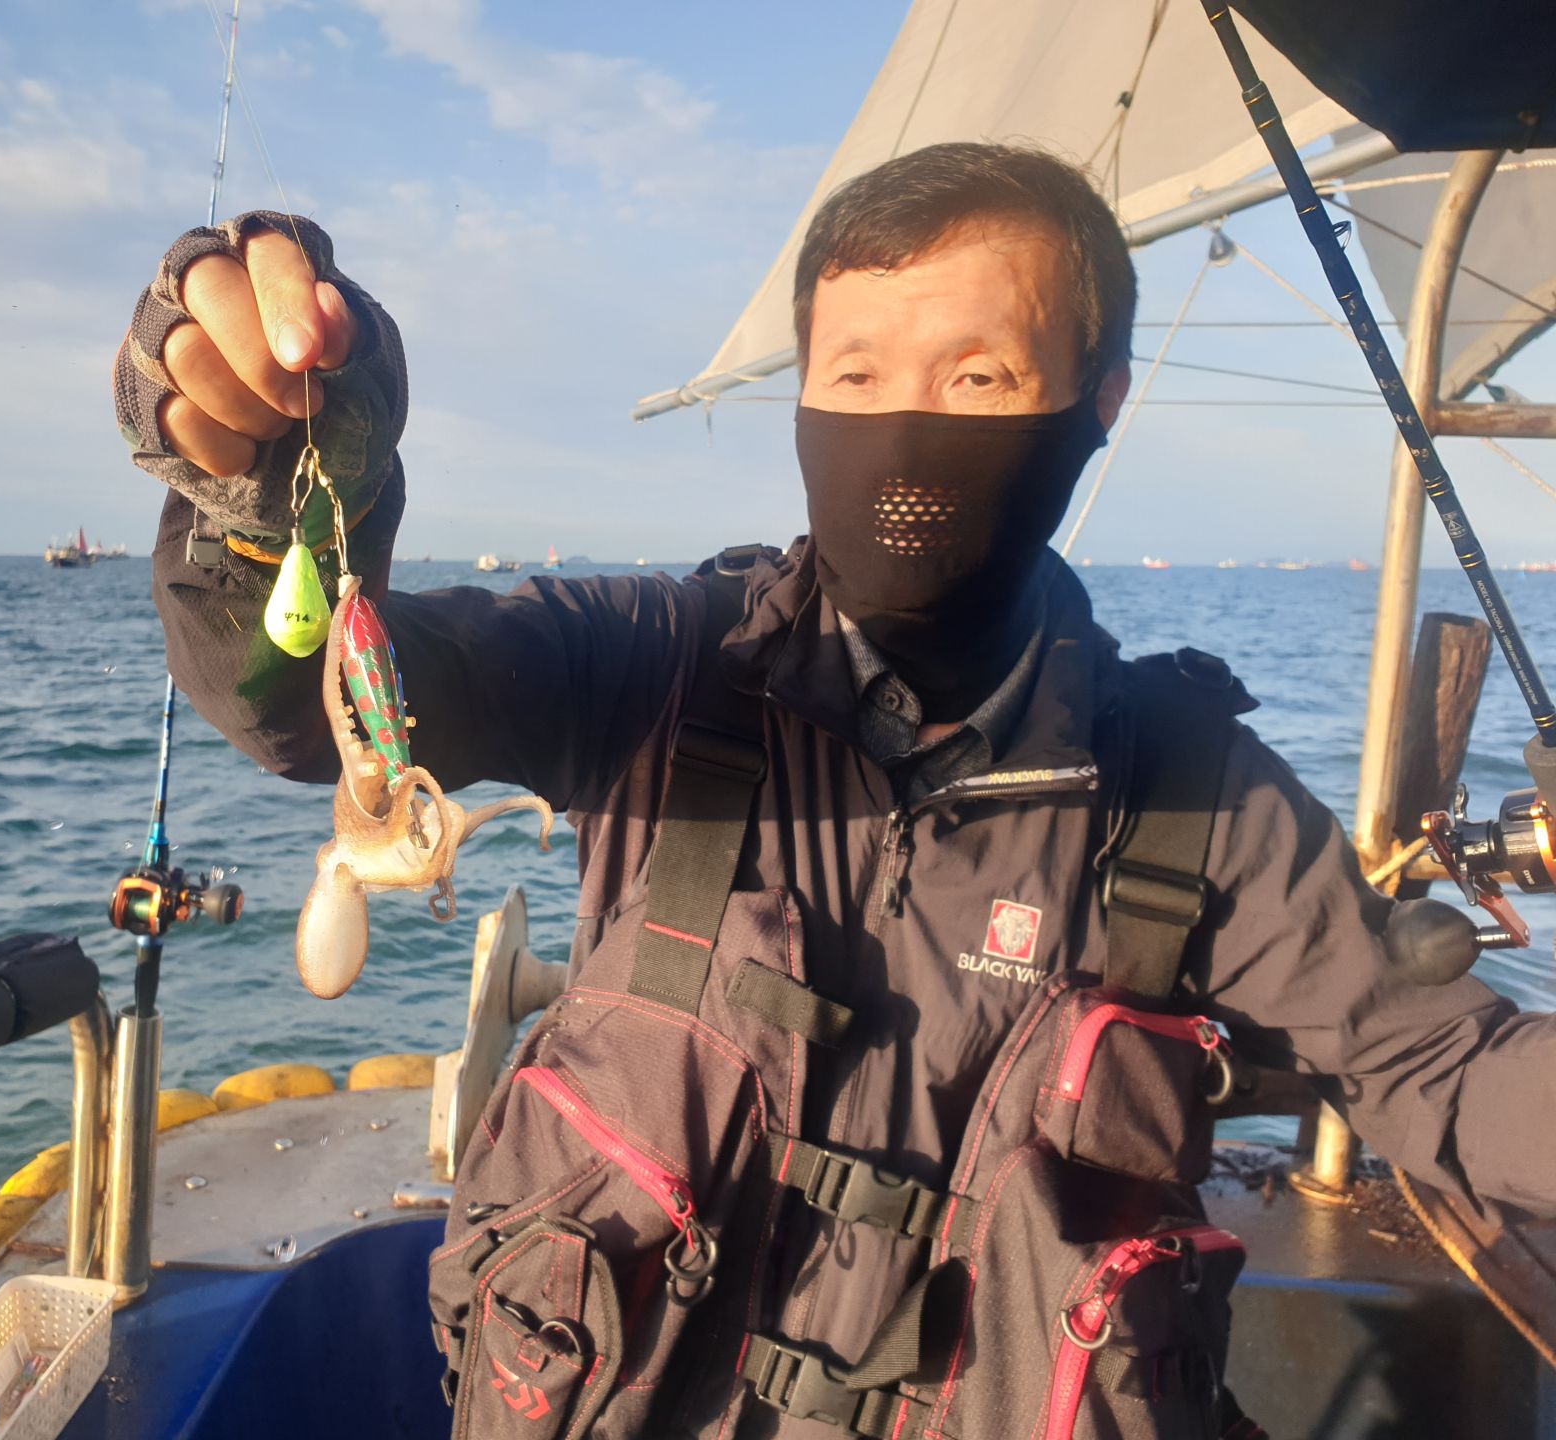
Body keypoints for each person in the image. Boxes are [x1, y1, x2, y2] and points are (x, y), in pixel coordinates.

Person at [115, 143, 1556, 1436]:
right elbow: (303, 708)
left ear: (1098, 401)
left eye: (979, 378)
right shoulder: (657, 664)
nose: (906, 430)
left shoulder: (1192, 790)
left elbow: (1436, 1066)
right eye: (856, 376)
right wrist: (272, 501)